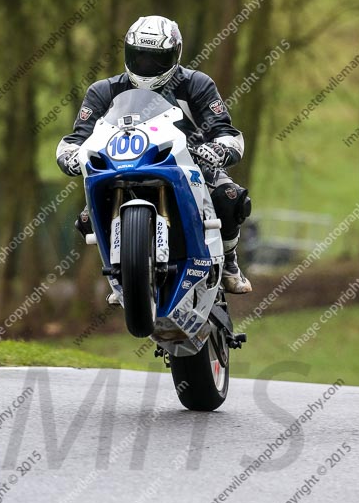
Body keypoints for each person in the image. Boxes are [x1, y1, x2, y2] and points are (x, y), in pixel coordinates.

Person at [56, 15, 252, 294]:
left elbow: (226, 131)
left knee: (230, 197)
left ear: (175, 55)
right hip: (120, 167)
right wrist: (71, 155)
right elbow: (77, 137)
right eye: (140, 56)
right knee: (87, 218)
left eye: (155, 59)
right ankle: (122, 271)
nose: (146, 65)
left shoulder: (196, 84)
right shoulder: (103, 90)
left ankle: (230, 261)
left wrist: (219, 148)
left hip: (190, 164)